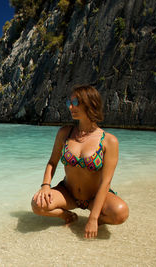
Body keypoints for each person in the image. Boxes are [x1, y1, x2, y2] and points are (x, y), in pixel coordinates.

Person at [31, 85, 129, 239]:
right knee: (37, 204)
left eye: (75, 102)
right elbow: (52, 162)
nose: (70, 107)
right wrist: (45, 186)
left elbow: (106, 182)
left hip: (94, 197)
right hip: (68, 193)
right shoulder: (65, 132)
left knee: (121, 213)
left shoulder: (109, 141)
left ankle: (94, 222)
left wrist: (94, 218)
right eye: (69, 103)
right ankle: (68, 216)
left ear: (90, 103)